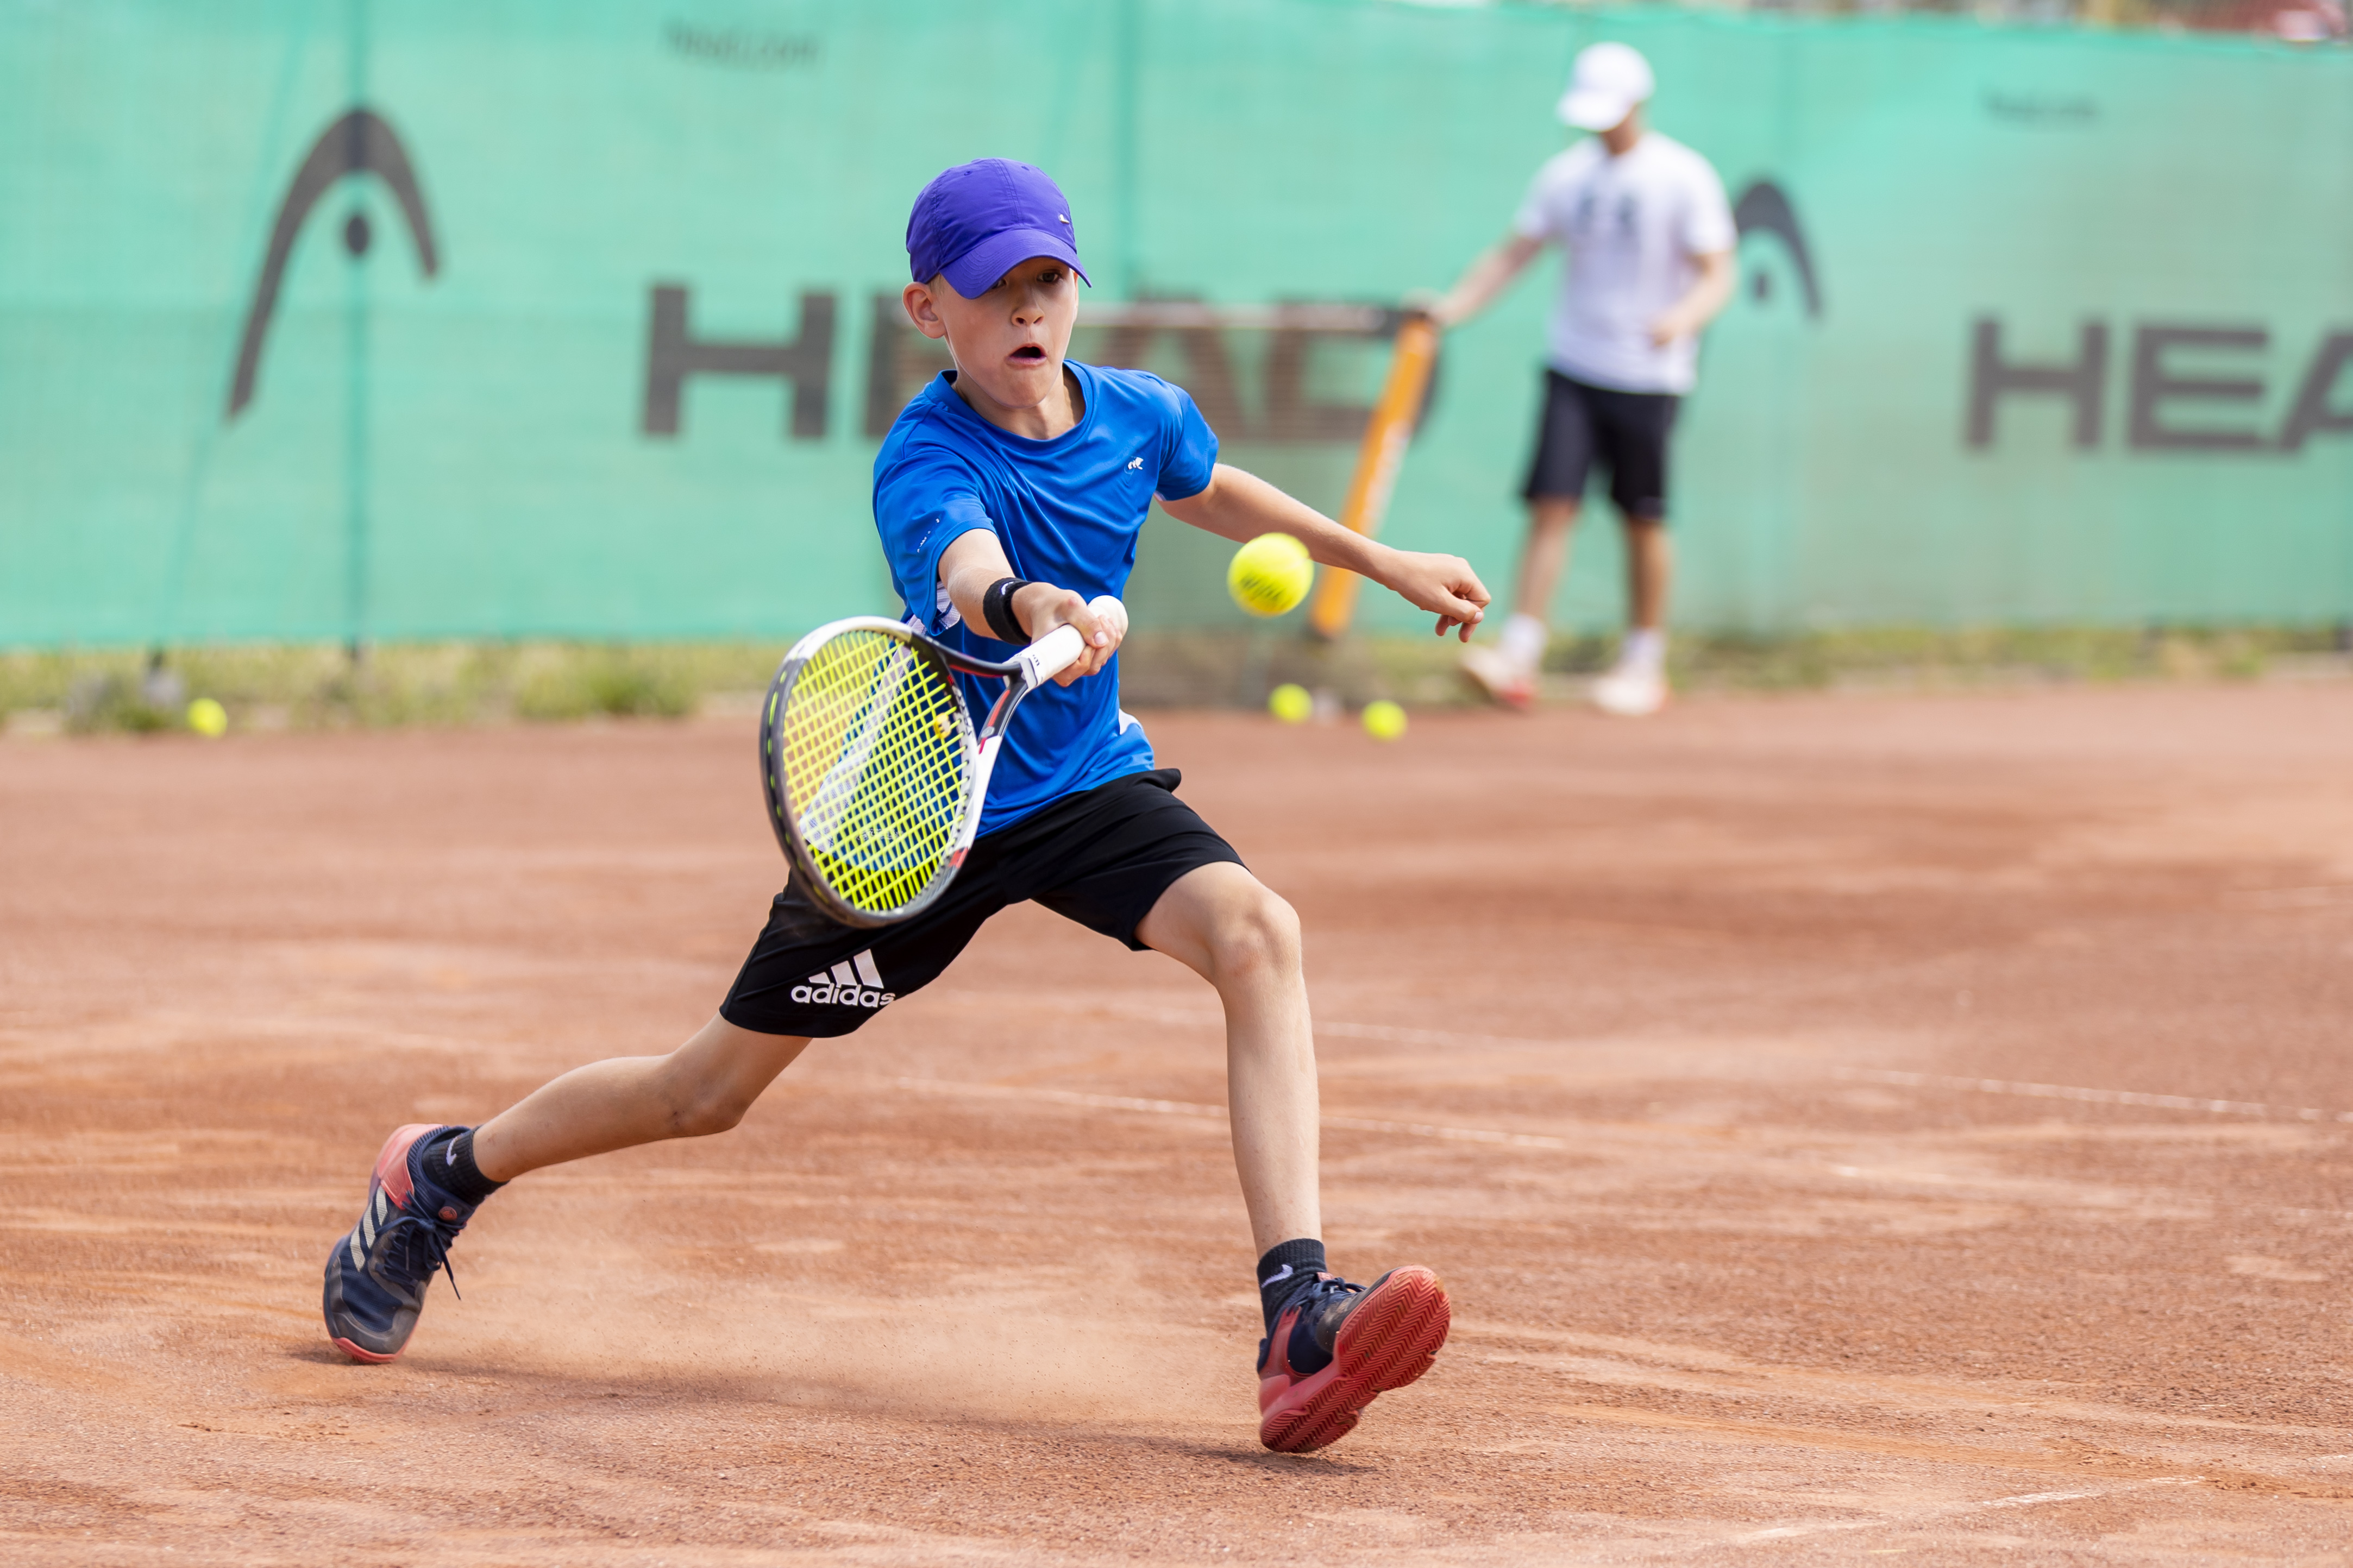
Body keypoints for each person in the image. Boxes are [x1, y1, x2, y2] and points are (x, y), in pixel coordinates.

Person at [321, 159, 1490, 1455]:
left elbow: (1206, 485)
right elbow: (970, 569)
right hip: (922, 816)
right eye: (992, 290)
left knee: (1257, 931)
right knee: (703, 1093)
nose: (1026, 310)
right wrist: (1036, 606)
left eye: (1046, 281)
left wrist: (1378, 559)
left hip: (1082, 785)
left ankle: (1294, 1319)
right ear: (927, 309)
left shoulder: (1139, 414)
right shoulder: (925, 455)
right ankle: (440, 1173)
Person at [1429, 41, 1735, 716]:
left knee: (1642, 516)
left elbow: (1719, 272)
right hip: (1573, 366)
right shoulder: (1565, 177)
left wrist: (1682, 317)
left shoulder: (1684, 175)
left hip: (1650, 378)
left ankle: (1644, 662)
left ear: (1637, 103)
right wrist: (1452, 308)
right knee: (1551, 504)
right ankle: (1518, 657)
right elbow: (1514, 253)